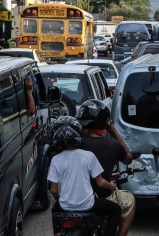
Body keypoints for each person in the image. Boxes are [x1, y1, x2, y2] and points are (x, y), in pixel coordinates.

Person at [48, 116, 121, 236]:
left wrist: (59, 199)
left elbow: (54, 190)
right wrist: (112, 187)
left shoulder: (56, 160)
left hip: (65, 206)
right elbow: (100, 182)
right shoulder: (88, 156)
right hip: (88, 204)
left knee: (55, 210)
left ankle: (56, 233)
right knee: (115, 210)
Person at [78, 100, 135, 236]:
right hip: (101, 197)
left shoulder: (76, 144)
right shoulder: (113, 146)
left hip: (75, 197)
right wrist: (114, 132)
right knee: (129, 200)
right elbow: (128, 158)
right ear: (104, 122)